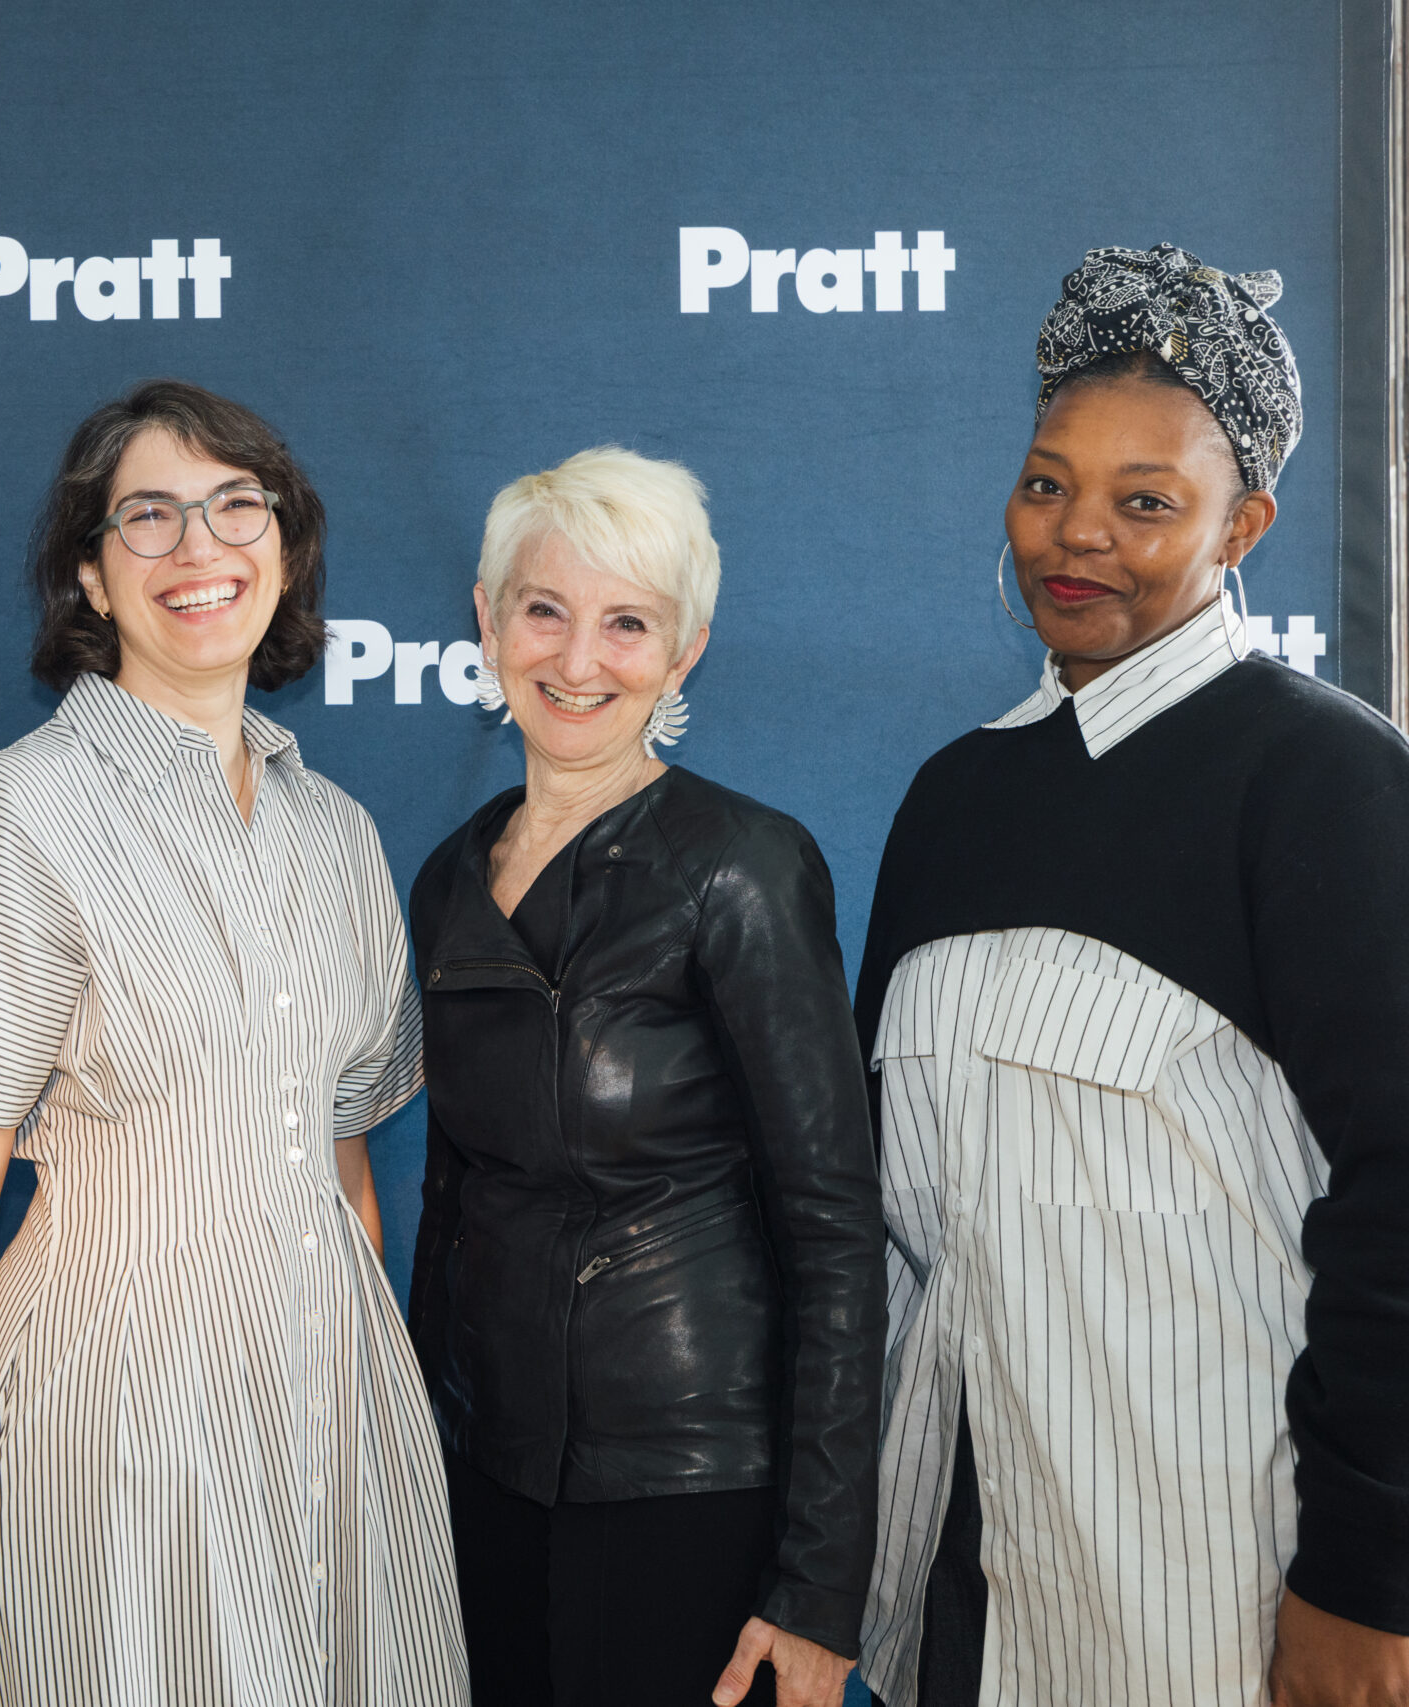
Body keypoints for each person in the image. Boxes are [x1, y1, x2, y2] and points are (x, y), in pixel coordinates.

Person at [0, 379, 465, 1704]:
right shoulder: (10, 812)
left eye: (239, 506)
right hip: (112, 1427)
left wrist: (357, 1406)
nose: (201, 547)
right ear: (89, 573)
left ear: (286, 548)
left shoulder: (338, 831)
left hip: (335, 1411)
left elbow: (342, 1163)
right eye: (150, 516)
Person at [855, 244, 1409, 1707]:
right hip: (969, 1587)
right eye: (1048, 483)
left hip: (1226, 1590)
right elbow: (883, 1218)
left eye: (1144, 501)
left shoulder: (1325, 781)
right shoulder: (950, 800)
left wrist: (1365, 1577)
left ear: (1245, 527)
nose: (1075, 533)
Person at [405, 448, 885, 1707]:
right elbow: (447, 1209)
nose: (577, 660)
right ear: (486, 616)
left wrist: (819, 1585)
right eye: (544, 609)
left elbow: (836, 1235)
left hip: (692, 1492)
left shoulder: (742, 867)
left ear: (685, 654)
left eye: (628, 624)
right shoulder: (449, 878)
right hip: (490, 1484)